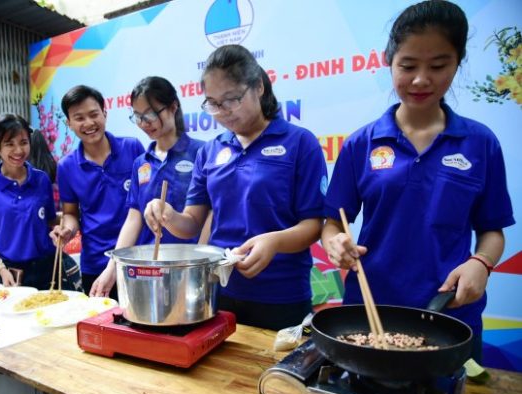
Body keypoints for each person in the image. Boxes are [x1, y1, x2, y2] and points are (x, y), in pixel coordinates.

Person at [321, 0, 515, 363]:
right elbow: (333, 223)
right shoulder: (361, 144)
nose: (421, 79)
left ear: (457, 63)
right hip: (368, 312)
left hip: (450, 315)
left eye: (438, 66)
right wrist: (335, 245)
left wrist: (482, 263)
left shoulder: (480, 143)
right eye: (408, 66)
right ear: (389, 61)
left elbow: (492, 230)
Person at [144, 45, 328, 330]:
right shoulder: (210, 151)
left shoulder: (299, 143)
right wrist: (166, 214)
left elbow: (313, 225)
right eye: (213, 103)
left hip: (281, 294)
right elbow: (191, 223)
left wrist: (274, 242)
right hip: (221, 289)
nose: (222, 112)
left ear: (258, 87)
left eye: (231, 100)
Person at [91, 76, 205, 297]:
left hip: (187, 269)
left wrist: (202, 265)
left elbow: (208, 217)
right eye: (138, 116)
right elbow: (134, 220)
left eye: (151, 114)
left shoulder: (201, 153)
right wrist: (112, 267)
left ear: (173, 106)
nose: (144, 123)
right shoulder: (141, 163)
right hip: (147, 271)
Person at [50, 85, 145, 296]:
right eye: (79, 118)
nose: (88, 123)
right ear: (69, 123)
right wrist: (67, 231)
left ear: (105, 113)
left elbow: (146, 200)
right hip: (95, 263)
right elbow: (71, 213)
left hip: (138, 258)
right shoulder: (66, 166)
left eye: (94, 114)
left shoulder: (133, 148)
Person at [0, 114, 61, 288]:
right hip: (10, 274)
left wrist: (71, 219)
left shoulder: (41, 179)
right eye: (10, 144)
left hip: (47, 270)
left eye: (23, 142)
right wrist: (1, 269)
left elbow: (49, 220)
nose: (18, 151)